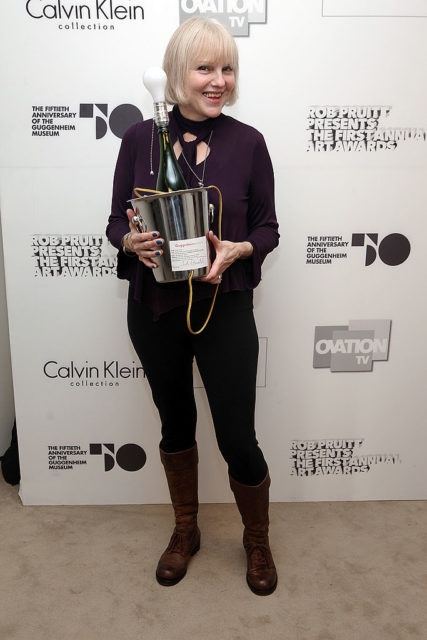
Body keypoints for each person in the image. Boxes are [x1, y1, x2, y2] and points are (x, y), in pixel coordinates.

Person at [107, 16, 279, 596]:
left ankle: (257, 537)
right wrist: (130, 240)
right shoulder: (138, 138)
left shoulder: (249, 142)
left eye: (227, 68)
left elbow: (268, 227)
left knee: (237, 436)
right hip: (155, 309)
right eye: (205, 67)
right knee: (175, 424)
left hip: (224, 307)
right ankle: (186, 529)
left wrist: (241, 248)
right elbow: (114, 222)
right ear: (176, 73)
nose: (218, 80)